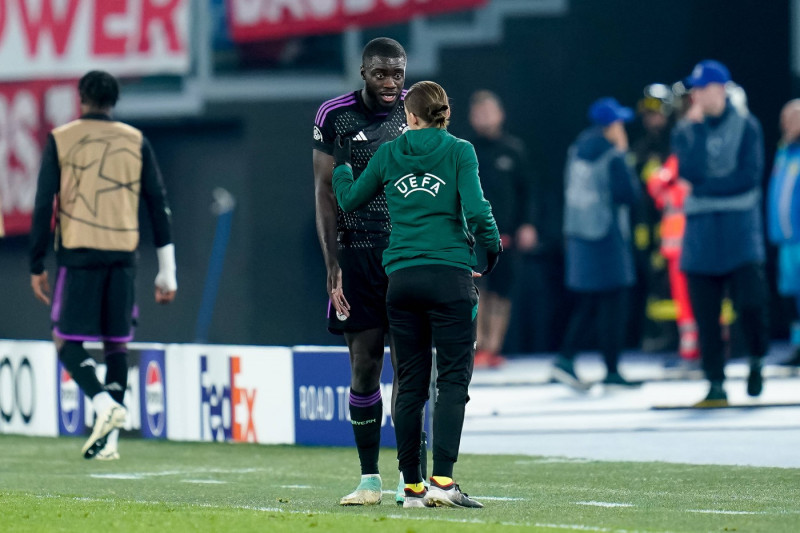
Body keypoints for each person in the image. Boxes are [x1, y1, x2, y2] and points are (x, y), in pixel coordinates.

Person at [332, 80, 501, 509]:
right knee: (452, 381)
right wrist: (493, 248)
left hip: (402, 280)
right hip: (449, 277)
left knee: (409, 386)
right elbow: (478, 211)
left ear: (409, 116)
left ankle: (411, 489)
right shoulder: (461, 150)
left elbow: (350, 200)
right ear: (445, 112)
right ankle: (443, 481)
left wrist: (342, 168)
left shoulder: (389, 153)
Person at [28, 70, 176, 459]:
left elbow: (45, 203)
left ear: (81, 97)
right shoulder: (136, 140)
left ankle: (102, 405)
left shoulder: (62, 139)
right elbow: (157, 204)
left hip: (80, 253)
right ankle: (109, 441)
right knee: (116, 344)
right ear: (115, 101)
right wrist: (167, 270)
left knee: (66, 340)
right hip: (123, 255)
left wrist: (36, 263)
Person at [312, 37, 425, 506]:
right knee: (364, 365)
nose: (391, 83)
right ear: (363, 72)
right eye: (381, 74)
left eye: (398, 73)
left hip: (405, 254)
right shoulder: (332, 116)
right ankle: (368, 479)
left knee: (410, 368)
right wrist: (331, 261)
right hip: (356, 254)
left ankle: (410, 478)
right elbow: (323, 189)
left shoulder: (416, 109)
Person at [671, 60, 769, 407]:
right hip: (701, 233)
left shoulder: (747, 126)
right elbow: (690, 170)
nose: (696, 94)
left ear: (720, 89)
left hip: (740, 230)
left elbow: (749, 176)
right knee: (705, 314)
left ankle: (757, 359)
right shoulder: (686, 129)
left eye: (702, 87)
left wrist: (707, 188)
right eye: (694, 88)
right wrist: (696, 130)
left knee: (751, 303)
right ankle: (715, 382)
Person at [552, 97, 642, 390]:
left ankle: (566, 359)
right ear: (610, 126)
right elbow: (629, 195)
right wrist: (625, 156)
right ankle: (610, 369)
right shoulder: (612, 155)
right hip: (608, 236)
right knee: (613, 303)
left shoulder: (576, 150)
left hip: (579, 236)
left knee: (590, 301)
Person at [467, 90, 538, 368]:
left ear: (500, 114)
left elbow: (528, 191)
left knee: (502, 292)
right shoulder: (464, 150)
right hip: (472, 236)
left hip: (506, 236)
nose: (484, 117)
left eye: (489, 111)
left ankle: (494, 347)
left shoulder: (514, 150)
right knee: (476, 289)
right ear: (472, 118)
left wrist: (528, 225)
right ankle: (479, 345)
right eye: (479, 112)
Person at [767, 99, 800, 368]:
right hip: (786, 241)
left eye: (792, 118)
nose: (785, 124)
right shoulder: (784, 153)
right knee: (791, 296)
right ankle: (797, 344)